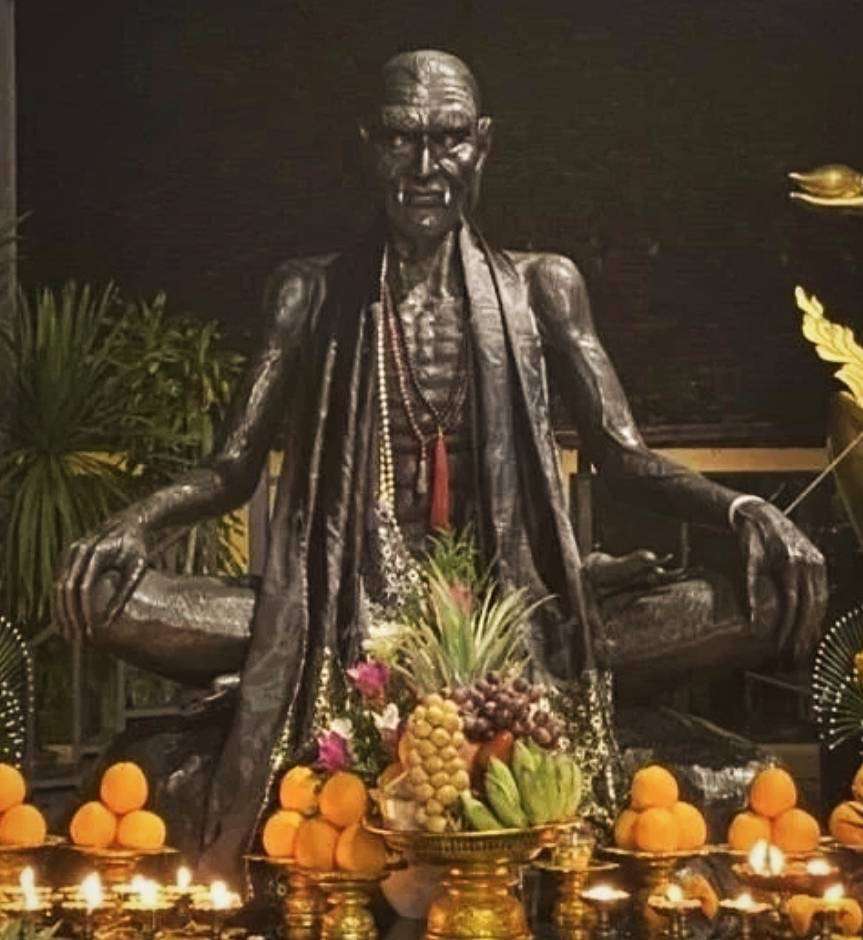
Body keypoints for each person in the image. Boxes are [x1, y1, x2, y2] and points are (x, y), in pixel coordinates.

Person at [56, 50, 826, 878]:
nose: (425, 166)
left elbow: (622, 454)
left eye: (448, 138)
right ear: (368, 146)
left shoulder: (541, 286)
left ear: (482, 145)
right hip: (335, 616)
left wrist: (745, 510)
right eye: (401, 138)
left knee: (765, 598)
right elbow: (232, 467)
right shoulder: (308, 293)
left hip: (512, 619)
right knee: (104, 599)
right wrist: (136, 524)